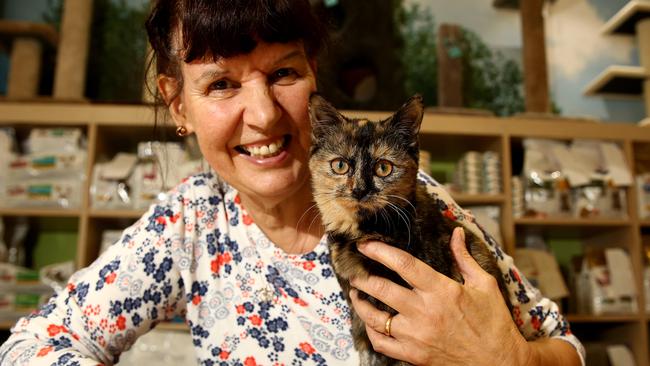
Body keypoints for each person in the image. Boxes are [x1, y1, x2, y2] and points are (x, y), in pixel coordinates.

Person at [0, 1, 585, 365]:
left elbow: (564, 345)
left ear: (314, 79)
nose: (264, 115)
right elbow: (32, 346)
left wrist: (509, 361)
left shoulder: (416, 200)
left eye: (283, 72)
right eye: (221, 85)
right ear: (178, 106)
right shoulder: (190, 223)